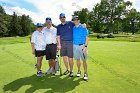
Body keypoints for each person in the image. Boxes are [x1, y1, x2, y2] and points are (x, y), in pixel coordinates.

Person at [73, 16, 89, 80]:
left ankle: (85, 73)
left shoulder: (83, 27)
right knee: (77, 60)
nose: (75, 21)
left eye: (76, 20)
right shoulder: (73, 28)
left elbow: (87, 38)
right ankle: (79, 71)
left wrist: (85, 46)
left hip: (82, 46)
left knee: (84, 60)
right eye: (74, 20)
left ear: (79, 20)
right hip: (75, 46)